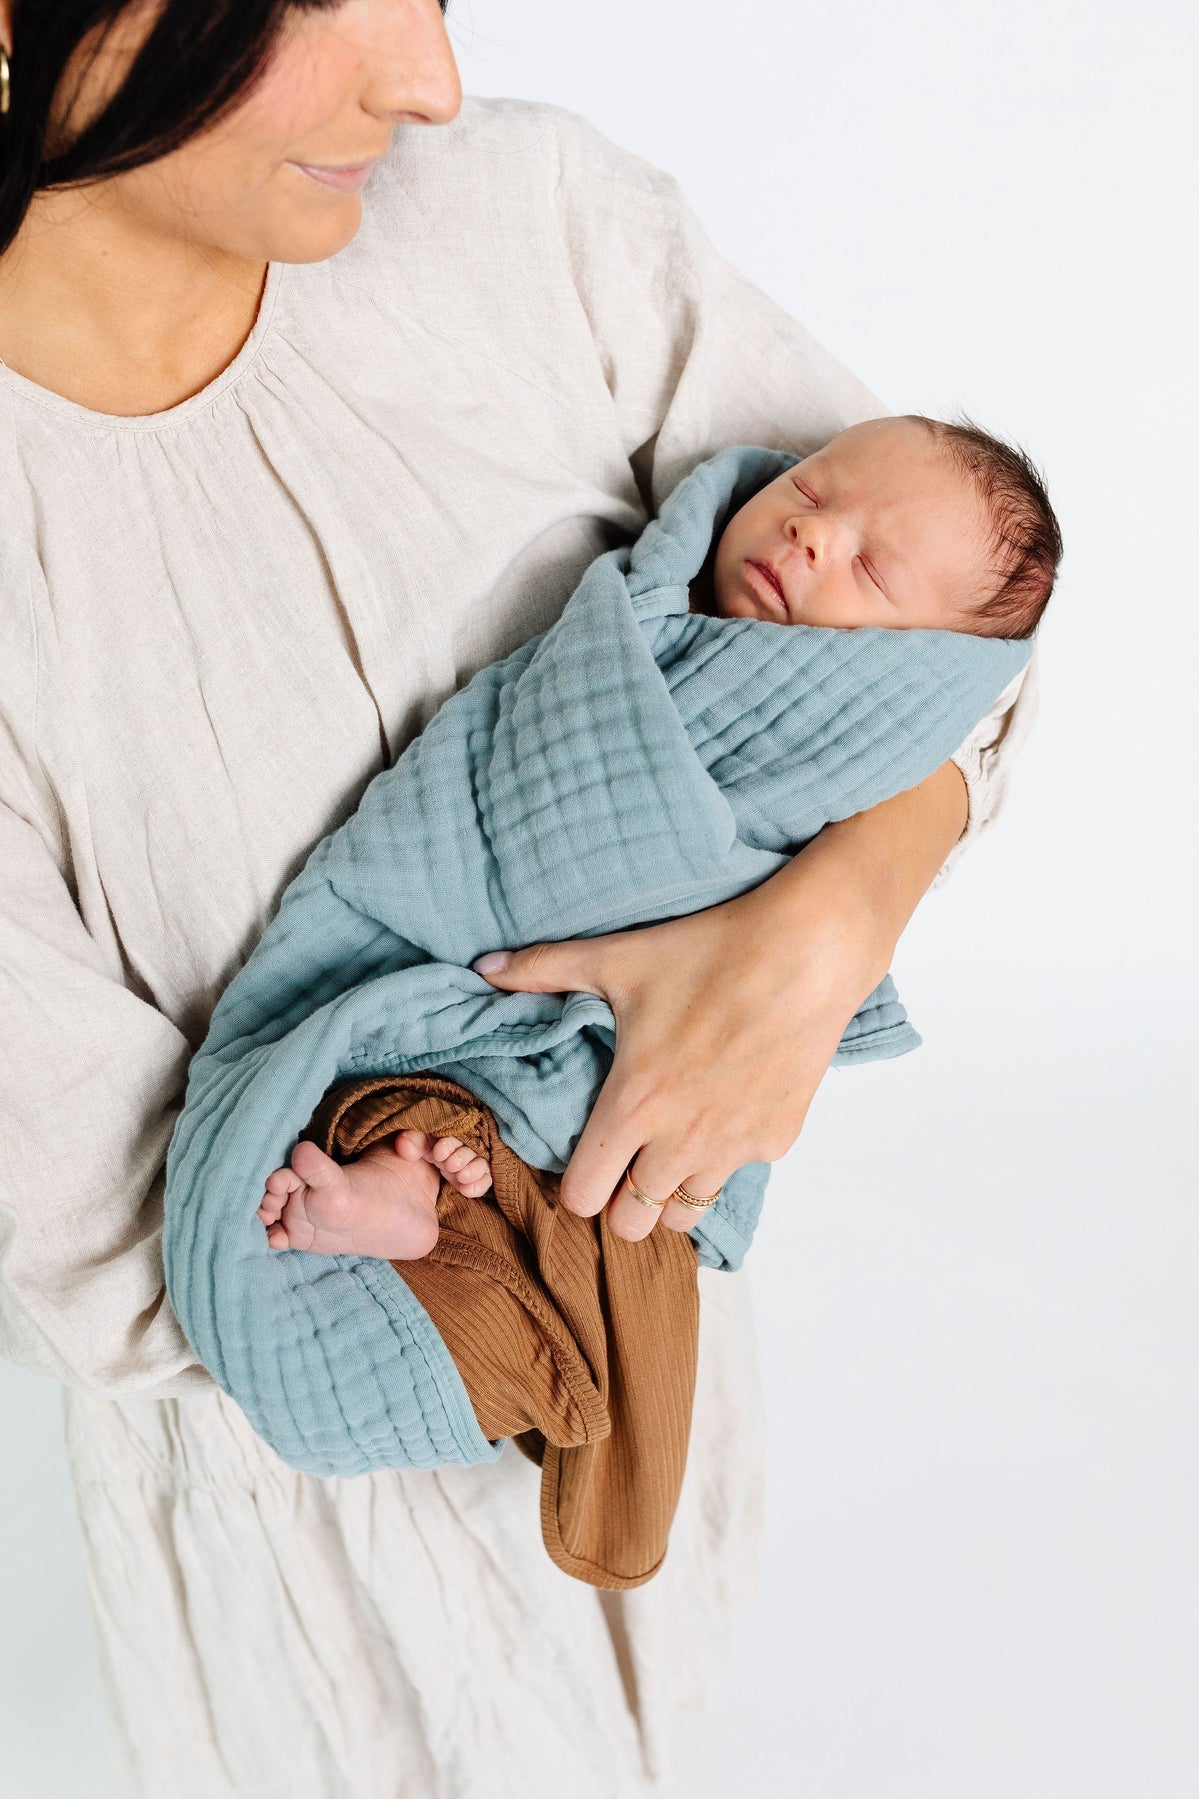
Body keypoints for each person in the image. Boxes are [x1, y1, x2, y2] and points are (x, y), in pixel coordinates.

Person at [0, 5, 1037, 1795]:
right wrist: (490, 1259)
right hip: (324, 1548)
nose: (427, 80)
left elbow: (954, 635)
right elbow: (111, 1244)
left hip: (646, 1360)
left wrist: (818, 930)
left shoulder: (520, 221)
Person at [254, 412, 1060, 1264]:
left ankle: (417, 1187)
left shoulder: (851, 742)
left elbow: (992, 700)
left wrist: (841, 913)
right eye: (807, 488)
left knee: (560, 1149)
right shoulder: (653, 605)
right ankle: (406, 1178)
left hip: (645, 1057)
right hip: (479, 962)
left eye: (867, 567)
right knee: (443, 1106)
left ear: (914, 669)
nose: (810, 530)